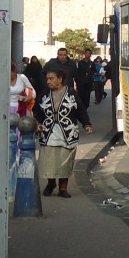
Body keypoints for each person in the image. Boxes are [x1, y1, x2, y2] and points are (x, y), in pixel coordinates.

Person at [33, 67, 93, 198]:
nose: (48, 81)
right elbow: (36, 111)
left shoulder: (71, 93)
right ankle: (51, 183)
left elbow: (81, 110)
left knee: (64, 160)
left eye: (51, 78)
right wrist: (37, 124)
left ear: (60, 79)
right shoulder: (44, 94)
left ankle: (63, 189)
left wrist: (86, 124)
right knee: (49, 161)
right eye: (47, 79)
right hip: (48, 133)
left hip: (67, 132)